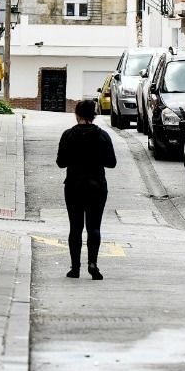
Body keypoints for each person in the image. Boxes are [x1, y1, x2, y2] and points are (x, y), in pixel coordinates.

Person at [56, 97, 116, 280]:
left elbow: (60, 163)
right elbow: (111, 163)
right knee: (94, 227)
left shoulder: (68, 135)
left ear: (77, 115)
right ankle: (93, 264)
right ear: (94, 115)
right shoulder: (102, 135)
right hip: (96, 186)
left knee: (75, 227)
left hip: (73, 186)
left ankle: (75, 268)